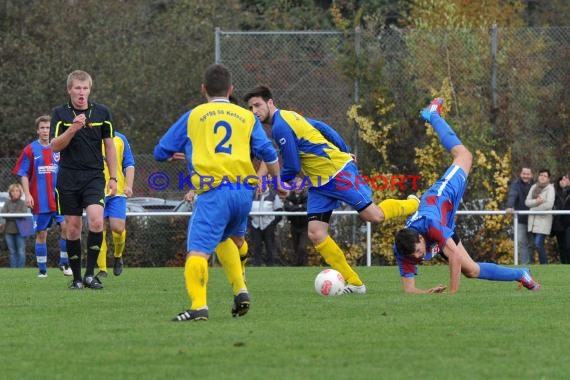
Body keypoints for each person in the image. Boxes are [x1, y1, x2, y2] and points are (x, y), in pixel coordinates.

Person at [244, 85, 419, 294]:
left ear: (270, 103)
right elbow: (323, 127)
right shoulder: (288, 117)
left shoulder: (280, 126)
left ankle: (414, 203)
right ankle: (354, 282)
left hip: (338, 173)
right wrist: (344, 150)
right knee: (316, 233)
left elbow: (292, 165)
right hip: (320, 183)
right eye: (250, 107)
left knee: (374, 216)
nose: (254, 111)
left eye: (257, 105)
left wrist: (278, 184)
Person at [154, 64, 286, 322]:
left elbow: (161, 151)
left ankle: (198, 307)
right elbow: (267, 152)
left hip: (214, 191)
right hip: (243, 192)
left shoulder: (195, 115)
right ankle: (241, 290)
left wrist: (181, 153)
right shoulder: (246, 116)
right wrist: (278, 180)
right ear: (231, 89)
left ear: (203, 89)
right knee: (227, 239)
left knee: (197, 252)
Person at [393, 98, 540, 294]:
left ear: (421, 238)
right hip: (445, 220)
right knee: (471, 270)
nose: (419, 257)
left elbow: (452, 255)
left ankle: (433, 115)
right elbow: (410, 290)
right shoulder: (403, 251)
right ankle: (521, 274)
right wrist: (427, 293)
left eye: (419, 251)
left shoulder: (429, 225)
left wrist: (452, 297)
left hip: (442, 195)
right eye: (415, 256)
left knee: (464, 156)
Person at [50, 70, 118, 289]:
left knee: (97, 220)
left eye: (85, 88)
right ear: (70, 89)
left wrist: (114, 177)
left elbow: (110, 146)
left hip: (94, 176)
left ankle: (90, 275)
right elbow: (54, 145)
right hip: (68, 176)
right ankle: (77, 279)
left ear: (90, 89)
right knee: (72, 228)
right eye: (77, 88)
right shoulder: (59, 114)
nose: (81, 93)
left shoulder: (102, 112)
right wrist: (73, 128)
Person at [12, 115, 71, 277]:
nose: (45, 131)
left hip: (59, 198)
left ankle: (64, 263)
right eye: (42, 128)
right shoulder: (30, 149)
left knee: (66, 227)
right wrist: (27, 194)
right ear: (37, 130)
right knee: (41, 233)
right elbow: (23, 173)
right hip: (40, 200)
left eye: (48, 128)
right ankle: (42, 270)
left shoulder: (59, 147)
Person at [96, 131, 135, 278]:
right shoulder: (90, 136)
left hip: (117, 191)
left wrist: (129, 186)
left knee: (118, 228)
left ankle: (118, 255)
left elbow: (129, 163)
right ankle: (102, 269)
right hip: (96, 190)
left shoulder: (120, 138)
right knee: (99, 228)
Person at [525, 169, 555, 264]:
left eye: (545, 175)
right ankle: (539, 265)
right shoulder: (534, 187)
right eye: (541, 175)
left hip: (543, 221)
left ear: (548, 178)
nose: (542, 177)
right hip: (532, 221)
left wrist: (534, 208)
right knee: (534, 245)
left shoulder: (550, 188)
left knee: (538, 244)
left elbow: (549, 204)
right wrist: (537, 202)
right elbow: (527, 202)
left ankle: (544, 264)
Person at [505, 167, 535, 264]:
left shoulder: (535, 185)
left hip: (534, 219)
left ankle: (531, 263)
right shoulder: (515, 184)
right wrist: (510, 206)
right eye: (524, 173)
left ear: (531, 175)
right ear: (520, 174)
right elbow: (512, 195)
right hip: (520, 219)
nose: (526, 176)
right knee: (521, 242)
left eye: (528, 174)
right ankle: (525, 264)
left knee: (532, 243)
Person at [250, 181, 283, 266]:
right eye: (260, 183)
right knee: (256, 246)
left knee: (270, 246)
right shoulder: (252, 195)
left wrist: (272, 224)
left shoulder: (273, 195)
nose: (261, 185)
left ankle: (271, 265)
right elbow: (247, 209)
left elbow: (279, 212)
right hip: (255, 225)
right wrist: (249, 222)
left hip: (268, 225)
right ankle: (256, 265)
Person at [0, 184, 29, 268]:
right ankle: (13, 270)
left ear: (20, 192)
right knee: (12, 252)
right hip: (8, 231)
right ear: (10, 193)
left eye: (17, 191)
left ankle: (20, 270)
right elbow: (3, 214)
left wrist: (11, 214)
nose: (15, 193)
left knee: (21, 251)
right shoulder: (7, 202)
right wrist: (15, 214)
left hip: (21, 231)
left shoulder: (23, 203)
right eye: (13, 191)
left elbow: (23, 215)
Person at [283, 179, 310, 266]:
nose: (297, 188)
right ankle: (299, 264)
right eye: (296, 186)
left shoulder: (307, 196)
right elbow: (287, 207)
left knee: (302, 247)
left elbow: (306, 207)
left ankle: (301, 264)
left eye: (299, 186)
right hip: (294, 225)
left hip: (305, 225)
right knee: (295, 246)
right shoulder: (289, 196)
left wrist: (294, 206)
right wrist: (299, 207)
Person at [552, 175, 570, 263]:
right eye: (561, 179)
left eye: (565, 179)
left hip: (568, 222)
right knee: (561, 246)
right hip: (558, 223)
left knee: (568, 245)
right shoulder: (554, 192)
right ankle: (564, 264)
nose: (563, 181)